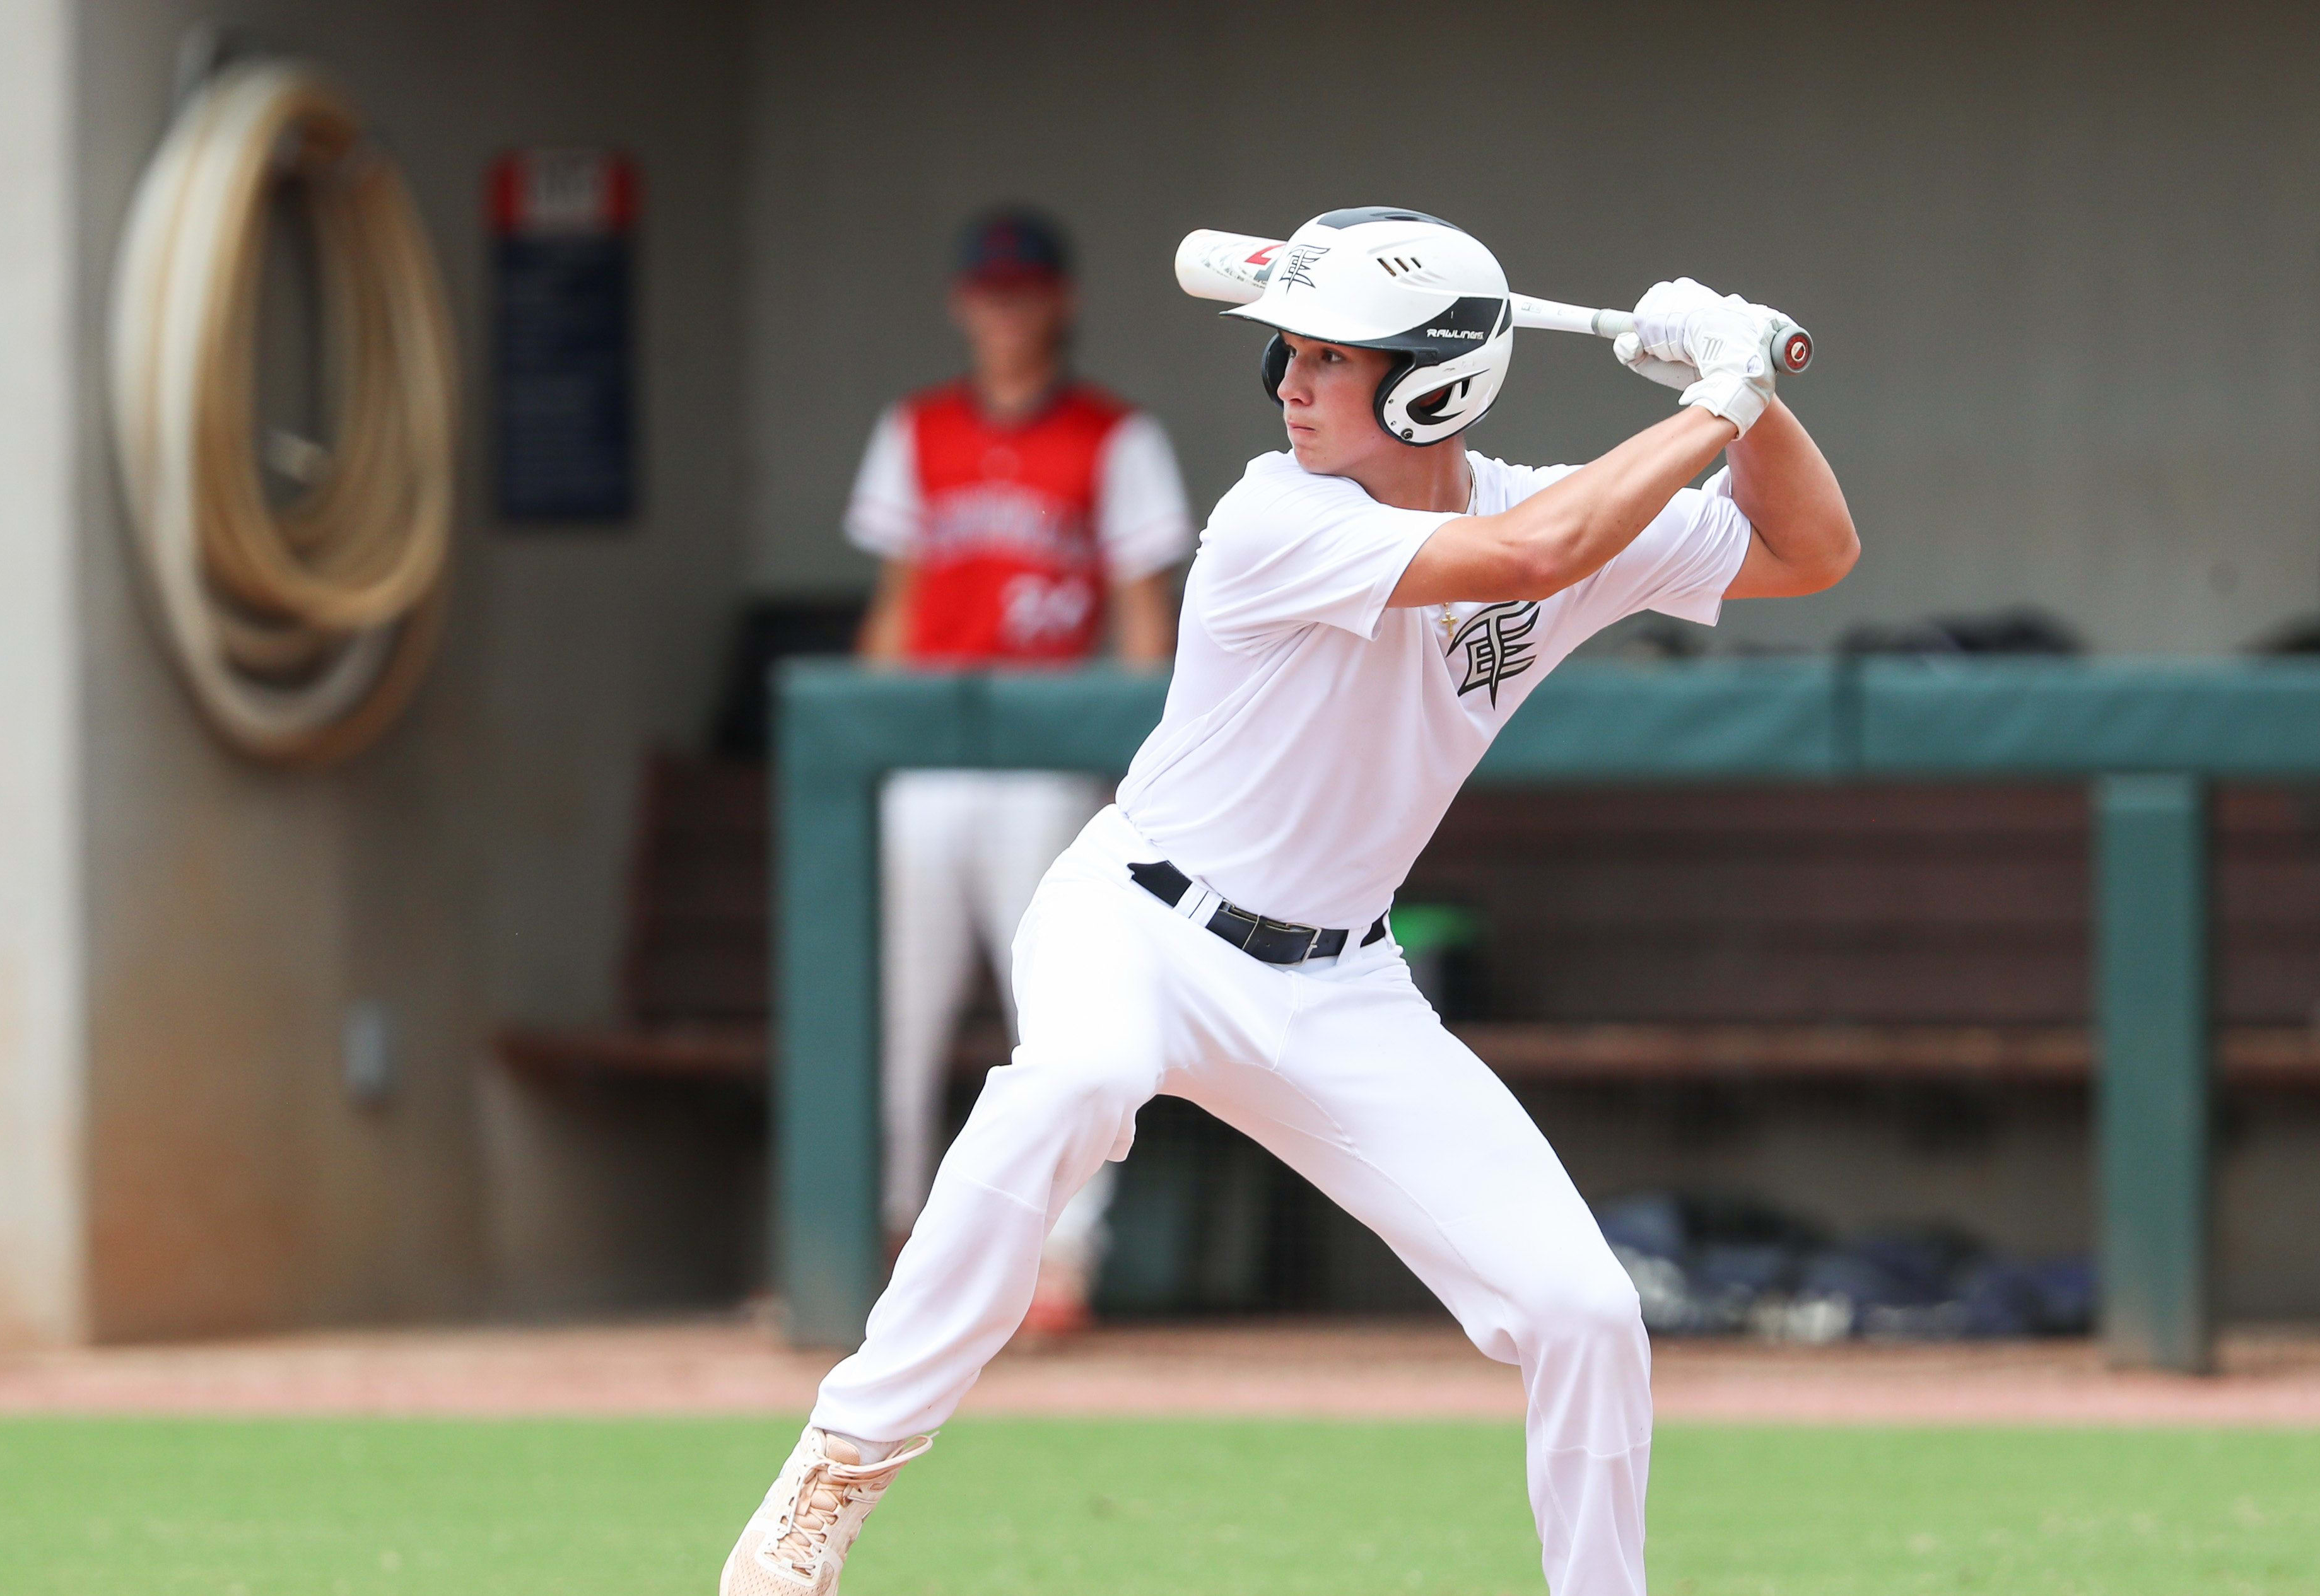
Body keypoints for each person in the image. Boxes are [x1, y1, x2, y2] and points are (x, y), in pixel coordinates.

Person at [724, 207, 1858, 1596]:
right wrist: (1716, 395)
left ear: (1433, 386)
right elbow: (1524, 563)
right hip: (1139, 919)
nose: (1289, 385)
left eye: (1331, 359)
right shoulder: (1276, 513)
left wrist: (1754, 409)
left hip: (1339, 984)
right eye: (1291, 351)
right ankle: (838, 1463)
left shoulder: (1557, 504)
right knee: (1076, 1077)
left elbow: (1808, 552)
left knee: (1584, 1309)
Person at [845, 206, 1193, 1330]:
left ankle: (1061, 1265)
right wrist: (864, 743)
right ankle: (889, 1243)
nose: (1005, 310)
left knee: (1059, 1014)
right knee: (893, 1013)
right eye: (988, 292)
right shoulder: (918, 427)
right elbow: (897, 604)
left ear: (1061, 299)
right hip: (929, 755)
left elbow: (1148, 621)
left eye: (1024, 290)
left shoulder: (1113, 435)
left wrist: (1128, 768)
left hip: (1045, 756)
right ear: (963, 303)